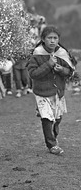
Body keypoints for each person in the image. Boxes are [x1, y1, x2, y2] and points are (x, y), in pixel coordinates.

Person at [26, 25, 75, 155]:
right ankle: (52, 145)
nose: (52, 41)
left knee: (57, 118)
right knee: (47, 118)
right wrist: (48, 65)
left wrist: (62, 70)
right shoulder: (37, 54)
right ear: (43, 39)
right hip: (42, 92)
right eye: (49, 38)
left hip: (58, 92)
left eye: (55, 38)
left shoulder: (62, 53)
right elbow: (33, 74)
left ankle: (54, 134)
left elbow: (70, 72)